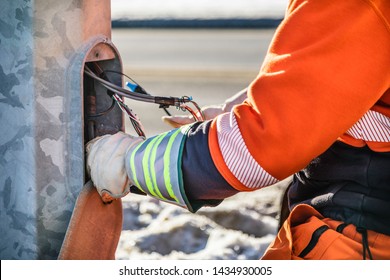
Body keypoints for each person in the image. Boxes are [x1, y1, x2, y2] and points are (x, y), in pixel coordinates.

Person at [86, 0, 390, 259]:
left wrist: (126, 162)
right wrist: (252, 102)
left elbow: (257, 147)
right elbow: (342, 76)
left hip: (364, 240)